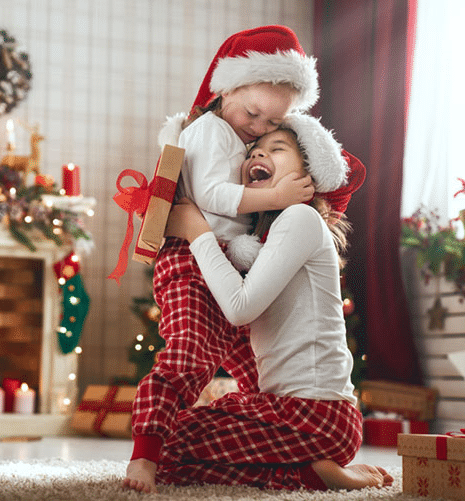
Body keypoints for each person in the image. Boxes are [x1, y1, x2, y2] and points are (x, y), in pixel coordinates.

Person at [124, 25, 324, 492]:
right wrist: (275, 193)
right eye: (253, 112)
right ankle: (146, 455)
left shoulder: (240, 137)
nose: (258, 127)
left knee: (263, 367)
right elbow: (212, 195)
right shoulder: (210, 130)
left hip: (231, 266)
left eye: (273, 123)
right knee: (189, 356)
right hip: (192, 264)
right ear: (227, 87)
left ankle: (276, 452)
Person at [154, 113, 394, 491]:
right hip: (298, 413)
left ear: (308, 175)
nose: (255, 157)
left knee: (167, 444)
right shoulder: (271, 236)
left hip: (316, 415)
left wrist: (197, 231)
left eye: (275, 149)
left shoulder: (300, 218)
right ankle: (308, 471)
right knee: (171, 445)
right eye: (253, 152)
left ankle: (308, 475)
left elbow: (239, 308)